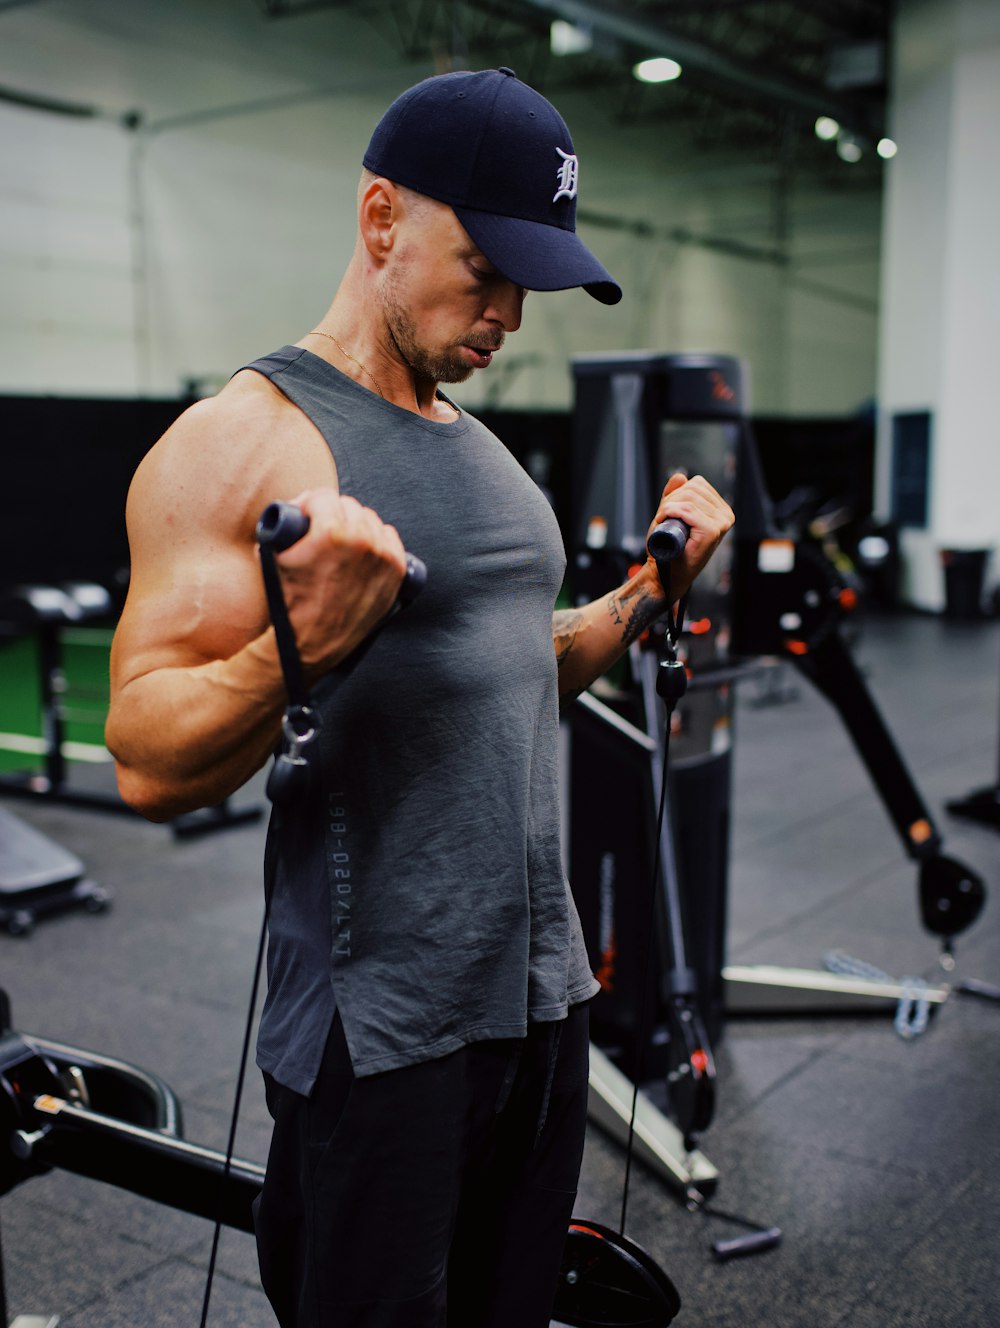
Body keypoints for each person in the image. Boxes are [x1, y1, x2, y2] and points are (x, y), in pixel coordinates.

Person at [106, 67, 734, 1328]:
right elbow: (143, 756)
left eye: (529, 281)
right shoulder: (240, 438)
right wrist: (303, 646)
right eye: (485, 266)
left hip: (541, 1001)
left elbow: (510, 667)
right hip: (383, 1033)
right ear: (382, 218)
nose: (507, 310)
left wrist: (645, 592)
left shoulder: (486, 453)